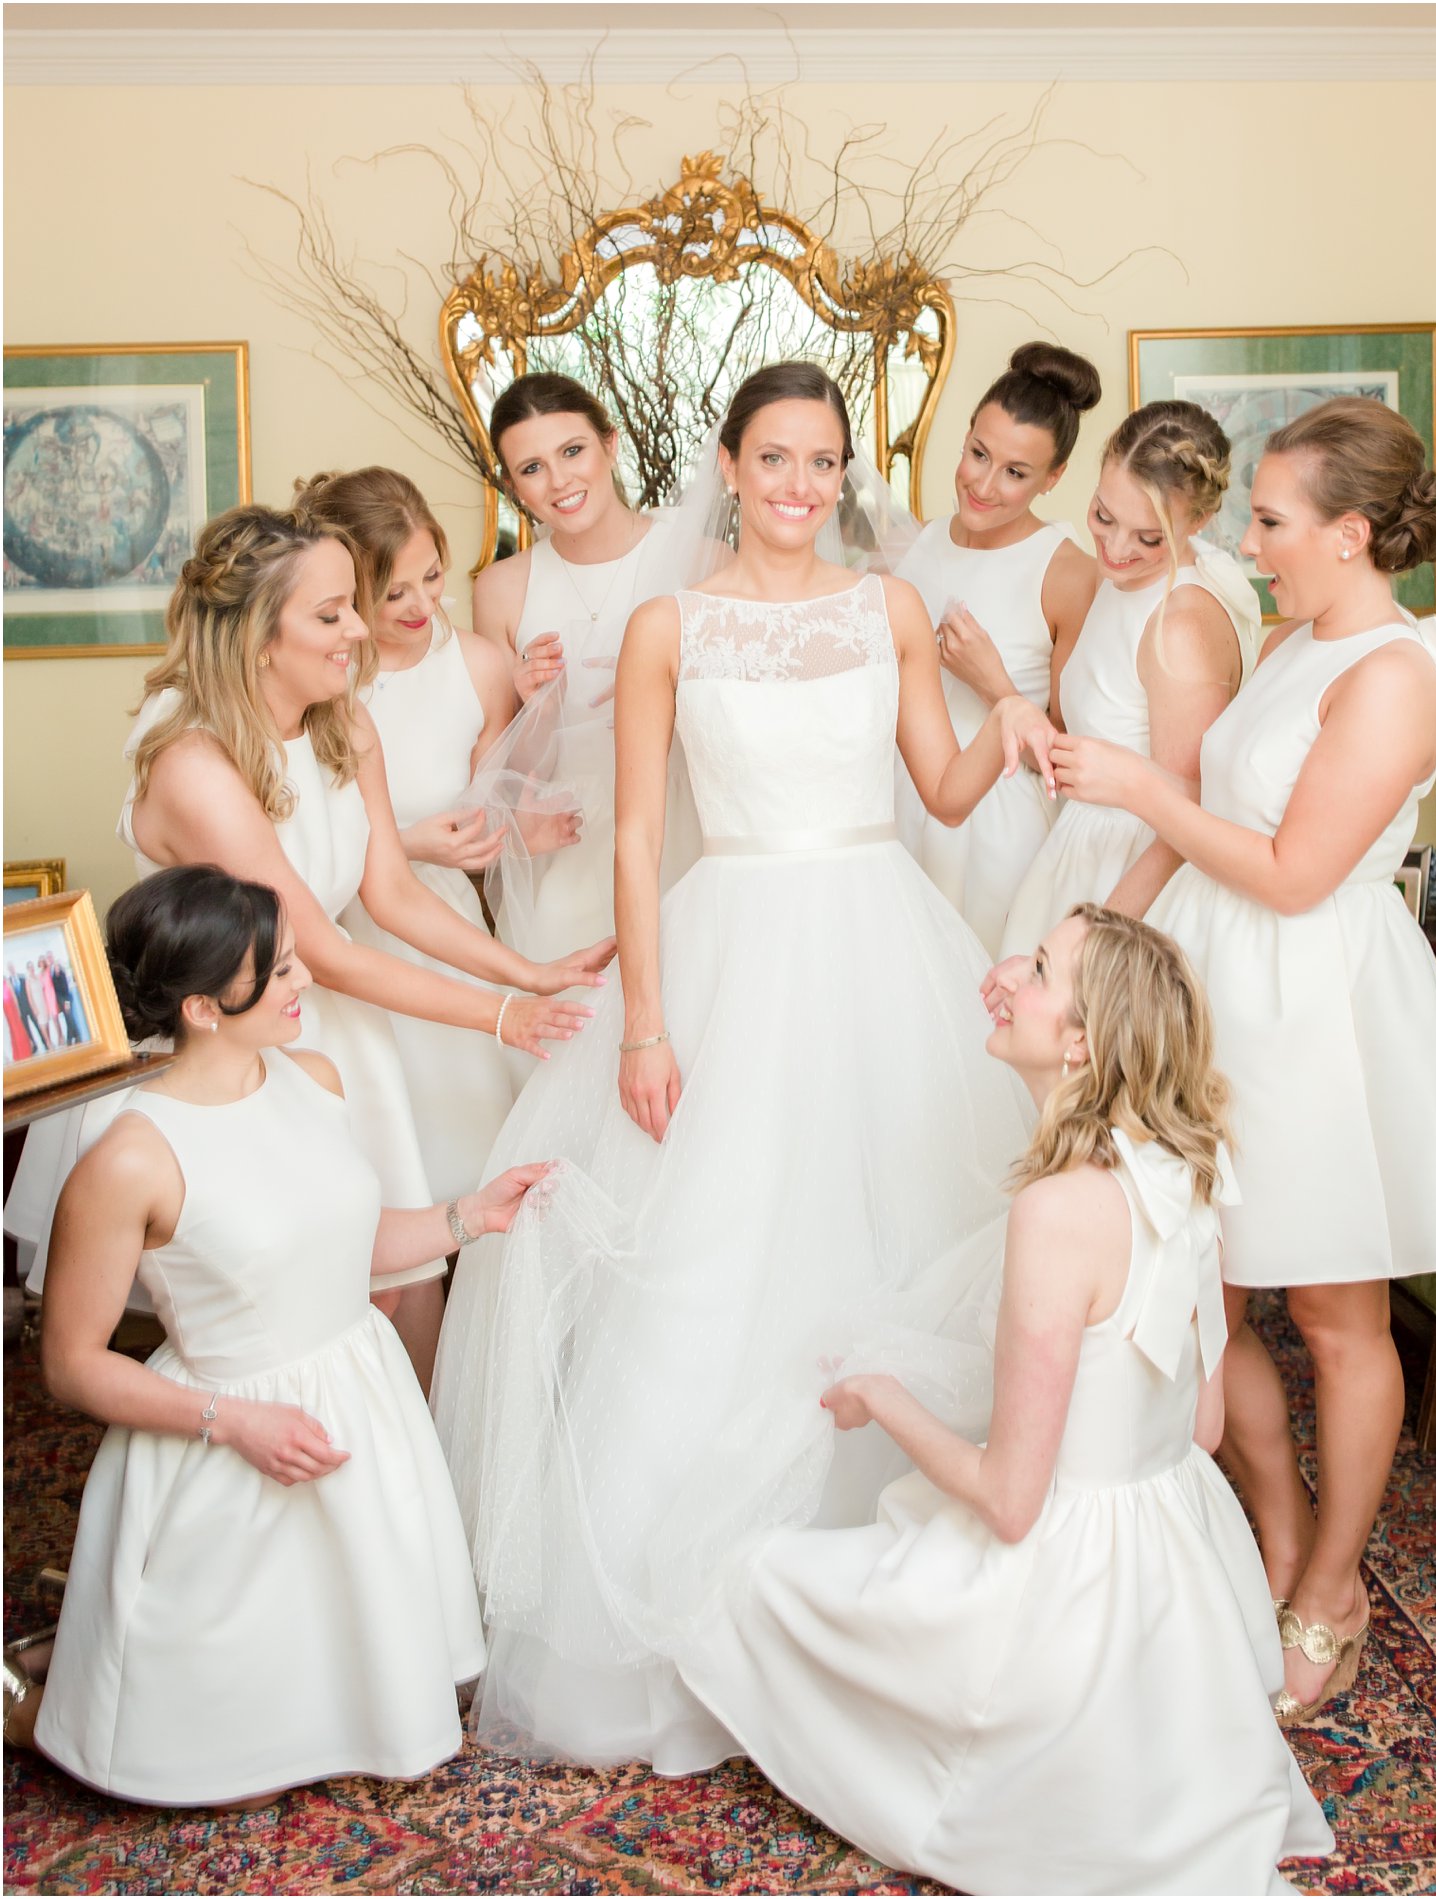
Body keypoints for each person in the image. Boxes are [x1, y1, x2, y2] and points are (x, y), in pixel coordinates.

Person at [432, 362, 1039, 1772]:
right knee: (710, 1260)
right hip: (730, 949)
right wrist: (646, 1022)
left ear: (844, 474)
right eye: (777, 457)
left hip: (883, 936)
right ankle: (678, 1635)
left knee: (898, 1227)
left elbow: (940, 789)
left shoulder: (884, 606)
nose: (801, 485)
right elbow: (641, 840)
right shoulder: (666, 625)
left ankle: (901, 1623)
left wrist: (1006, 713)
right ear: (726, 459)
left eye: (825, 462)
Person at [674, 905, 1334, 1894]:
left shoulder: (1057, 1208)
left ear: (1077, 1040)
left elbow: (1013, 1503)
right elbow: (1200, 1431)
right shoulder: (1182, 1168)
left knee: (746, 1585)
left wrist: (883, 1399)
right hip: (1179, 1576)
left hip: (1062, 1600)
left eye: (1035, 968)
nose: (1007, 977)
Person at [1047, 397, 1436, 1721]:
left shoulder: (1397, 673)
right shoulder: (1300, 636)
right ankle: (1284, 1520)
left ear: (1352, 530)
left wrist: (1142, 789)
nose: (1246, 542)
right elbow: (1228, 811)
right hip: (1219, 988)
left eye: (1269, 518)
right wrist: (1107, 931)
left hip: (1314, 1012)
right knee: (1205, 1290)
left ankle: (1330, 1585)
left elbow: (1300, 872)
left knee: (1333, 1317)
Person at [5, 504, 609, 1390]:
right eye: (331, 614)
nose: (360, 631)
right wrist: (503, 1016)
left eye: (351, 606)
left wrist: (528, 969)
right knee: (303, 1300)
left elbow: (392, 891)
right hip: (231, 1039)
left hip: (329, 1028)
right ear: (258, 637)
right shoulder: (198, 768)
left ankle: (412, 1489)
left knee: (406, 1283)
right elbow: (318, 947)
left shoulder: (341, 723)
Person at [1, 866, 550, 1804]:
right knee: (222, 1776)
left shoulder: (313, 1078)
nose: (307, 982)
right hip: (225, 1439)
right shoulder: (129, 1155)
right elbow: (70, 1364)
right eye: (284, 971)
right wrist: (235, 1422)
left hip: (355, 1407)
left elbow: (340, 1245)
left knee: (351, 1707)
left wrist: (470, 1216)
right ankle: (26, 1705)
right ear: (205, 1007)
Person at [296, 466, 573, 1199]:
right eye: (394, 593)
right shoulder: (319, 679)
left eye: (431, 577)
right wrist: (410, 842)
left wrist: (538, 712)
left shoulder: (478, 666)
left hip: (443, 927)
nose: (423, 605)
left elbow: (493, 804)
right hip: (341, 927)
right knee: (370, 1164)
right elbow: (295, 825)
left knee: (463, 1150)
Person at [986, 399, 1260, 969]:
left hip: (1135, 890)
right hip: (1082, 853)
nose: (1114, 548)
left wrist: (1098, 942)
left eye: (1149, 537)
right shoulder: (1120, 584)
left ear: (1200, 522)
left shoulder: (1180, 624)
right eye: (1103, 516)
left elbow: (1199, 817)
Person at [467, 374, 699, 999]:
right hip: (567, 851)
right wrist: (531, 704)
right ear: (512, 485)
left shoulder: (700, 560)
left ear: (610, 445)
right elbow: (498, 775)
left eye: (573, 451)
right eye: (532, 468)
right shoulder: (500, 589)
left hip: (680, 835)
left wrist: (666, 699)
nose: (560, 481)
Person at [894, 343, 1100, 953]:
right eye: (978, 454)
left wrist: (996, 687)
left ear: (1053, 478)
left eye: (1015, 472)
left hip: (997, 834)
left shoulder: (1066, 573)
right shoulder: (920, 545)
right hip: (905, 804)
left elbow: (1074, 762)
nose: (983, 485)